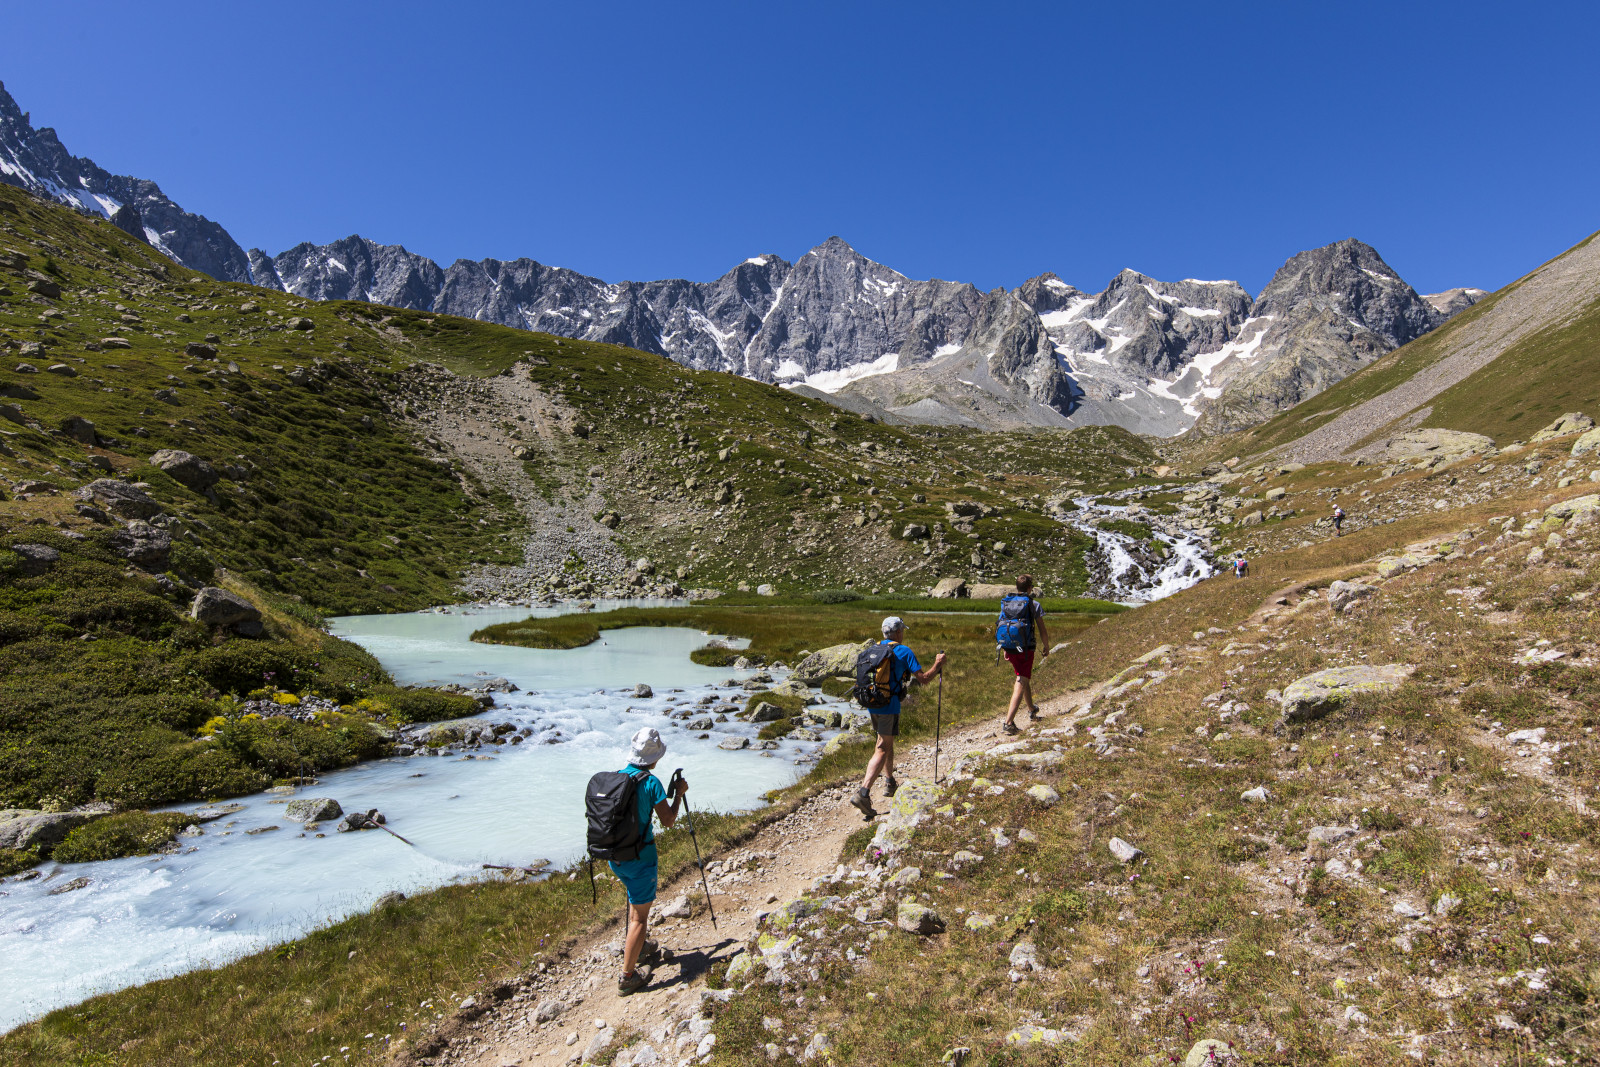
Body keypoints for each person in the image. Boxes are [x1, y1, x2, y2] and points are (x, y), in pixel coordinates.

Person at [609, 727, 686, 995]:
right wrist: (678, 794)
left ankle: (640, 948)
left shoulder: (618, 777)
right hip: (641, 858)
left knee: (634, 906)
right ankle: (627, 976)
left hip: (616, 857)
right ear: (654, 758)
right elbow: (668, 821)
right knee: (640, 919)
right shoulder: (651, 783)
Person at [849, 616, 946, 818]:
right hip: (889, 706)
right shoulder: (903, 650)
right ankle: (863, 793)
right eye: (903, 630)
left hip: (872, 703)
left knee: (885, 742)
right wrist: (938, 664)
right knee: (883, 748)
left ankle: (889, 781)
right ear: (899, 632)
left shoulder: (872, 649)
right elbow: (924, 679)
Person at [1000, 574, 1050, 735]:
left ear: (1017, 587)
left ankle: (1031, 710)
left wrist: (1005, 648)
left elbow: (1003, 625)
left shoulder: (1007, 602)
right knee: (1021, 680)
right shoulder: (1034, 604)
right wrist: (1046, 645)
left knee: (1024, 676)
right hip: (1026, 648)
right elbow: (1042, 629)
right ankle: (1008, 722)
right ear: (1030, 588)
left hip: (1010, 646)